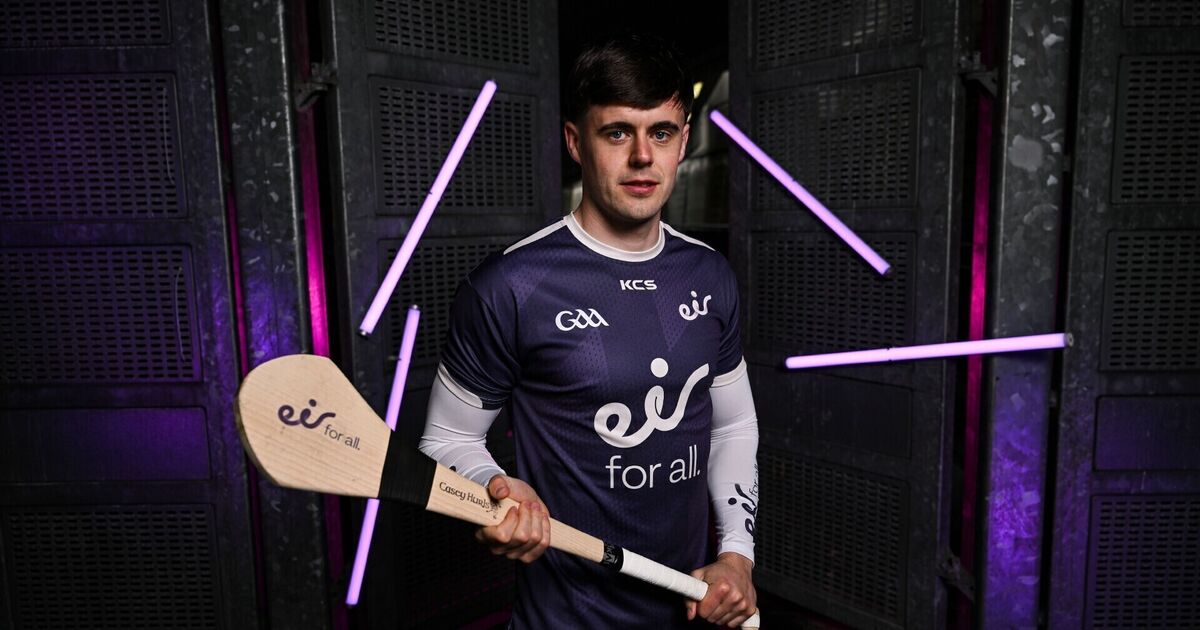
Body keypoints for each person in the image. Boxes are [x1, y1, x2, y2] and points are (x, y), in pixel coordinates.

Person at [420, 33, 759, 628]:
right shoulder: (511, 285)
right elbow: (445, 439)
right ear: (577, 142)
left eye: (661, 133)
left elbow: (733, 425)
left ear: (683, 142)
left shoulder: (710, 274)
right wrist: (495, 487)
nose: (643, 157)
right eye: (618, 132)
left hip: (685, 609)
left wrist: (736, 555)